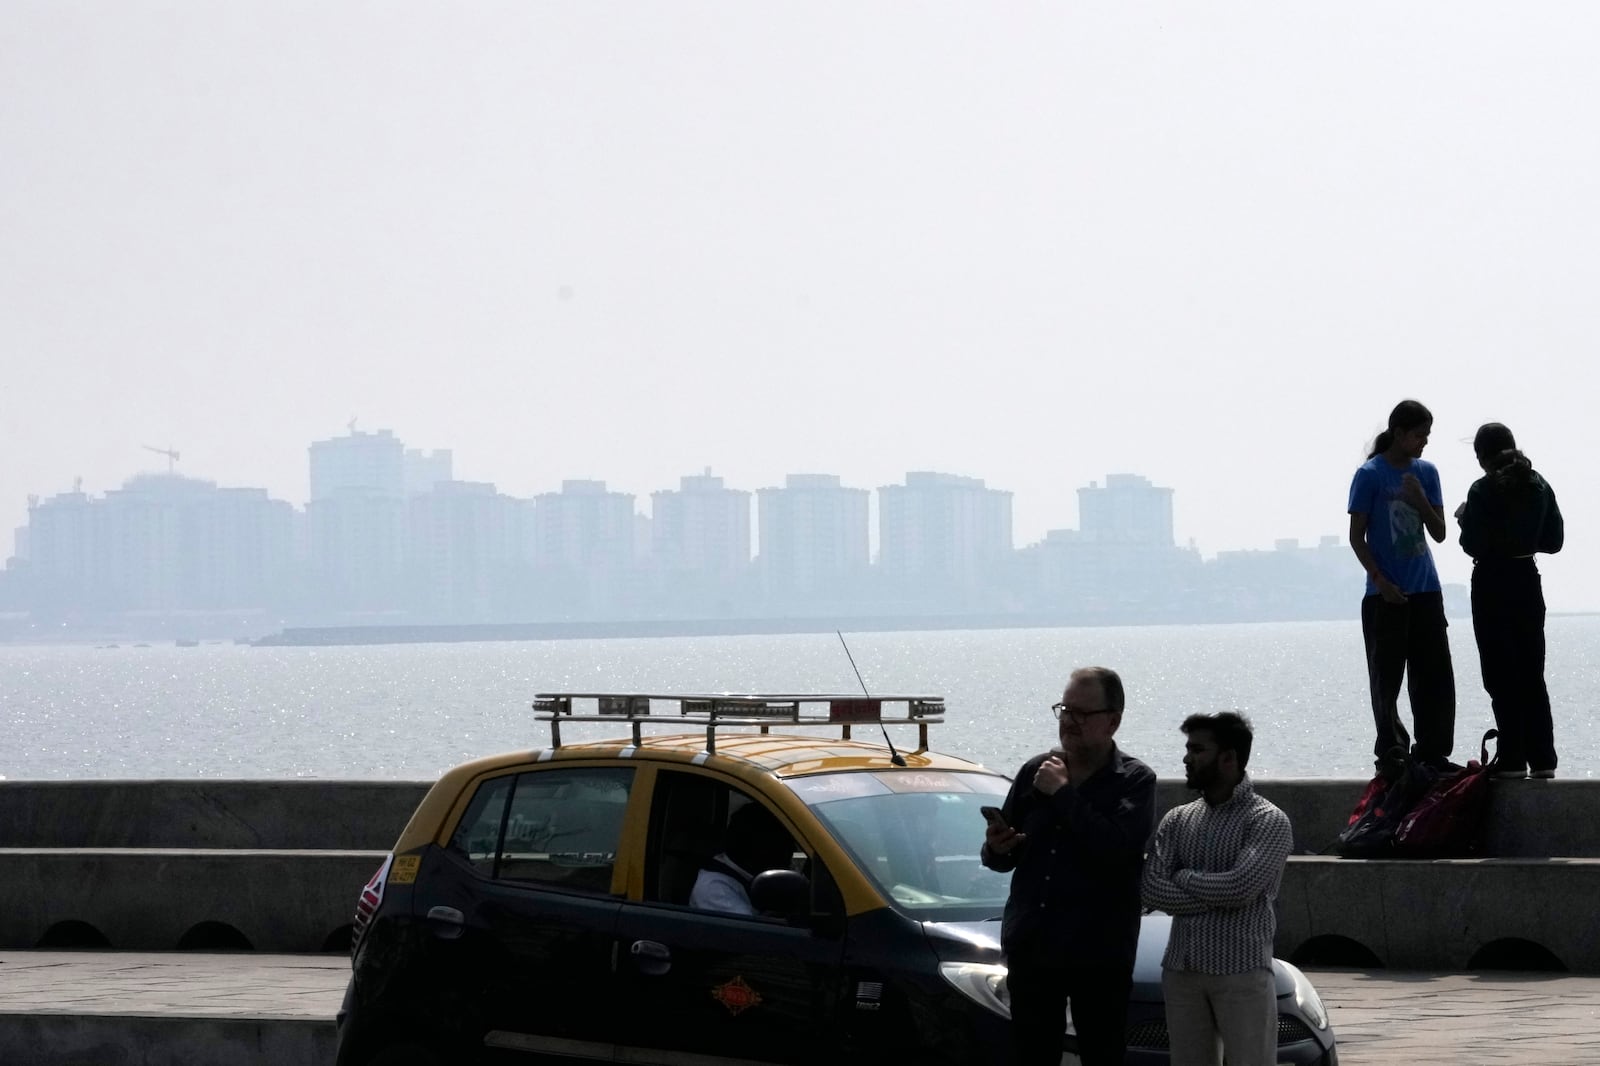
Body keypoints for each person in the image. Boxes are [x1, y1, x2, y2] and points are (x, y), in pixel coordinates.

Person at [980, 666, 1158, 1066]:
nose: (1069, 721)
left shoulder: (1134, 781)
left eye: (1081, 713)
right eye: (1064, 709)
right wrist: (997, 847)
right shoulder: (1033, 772)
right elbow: (1002, 857)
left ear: (1112, 721)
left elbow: (1116, 850)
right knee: (1032, 1055)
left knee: (1101, 1053)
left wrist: (1062, 794)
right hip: (1034, 947)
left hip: (1098, 952)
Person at [1141, 712, 1293, 1066]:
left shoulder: (1267, 820)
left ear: (1228, 757)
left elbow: (1240, 887)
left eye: (1198, 749)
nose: (1186, 758)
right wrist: (1216, 895)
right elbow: (1150, 888)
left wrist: (1183, 878)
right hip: (1182, 970)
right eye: (1188, 748)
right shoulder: (1178, 819)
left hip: (1240, 971)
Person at [1347, 399, 1457, 772]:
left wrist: (1420, 500)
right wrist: (1381, 581)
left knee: (1434, 677)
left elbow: (1440, 533)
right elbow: (1356, 538)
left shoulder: (1427, 473)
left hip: (1426, 589)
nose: (1423, 442)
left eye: (1427, 436)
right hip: (1385, 596)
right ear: (1398, 434)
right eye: (1417, 436)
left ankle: (1433, 751)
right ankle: (1392, 752)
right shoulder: (1370, 475)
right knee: (1387, 679)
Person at [1456, 423, 1565, 780]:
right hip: (1526, 581)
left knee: (1501, 673)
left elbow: (1473, 544)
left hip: (1491, 582)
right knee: (1532, 672)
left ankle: (1514, 759)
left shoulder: (1482, 490)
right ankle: (1544, 759)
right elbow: (1554, 541)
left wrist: (1464, 518)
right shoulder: (1538, 484)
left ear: (1483, 456)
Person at [689, 800, 796, 915]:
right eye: (779, 844)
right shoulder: (715, 887)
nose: (790, 851)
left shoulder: (746, 876)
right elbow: (754, 930)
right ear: (753, 846)